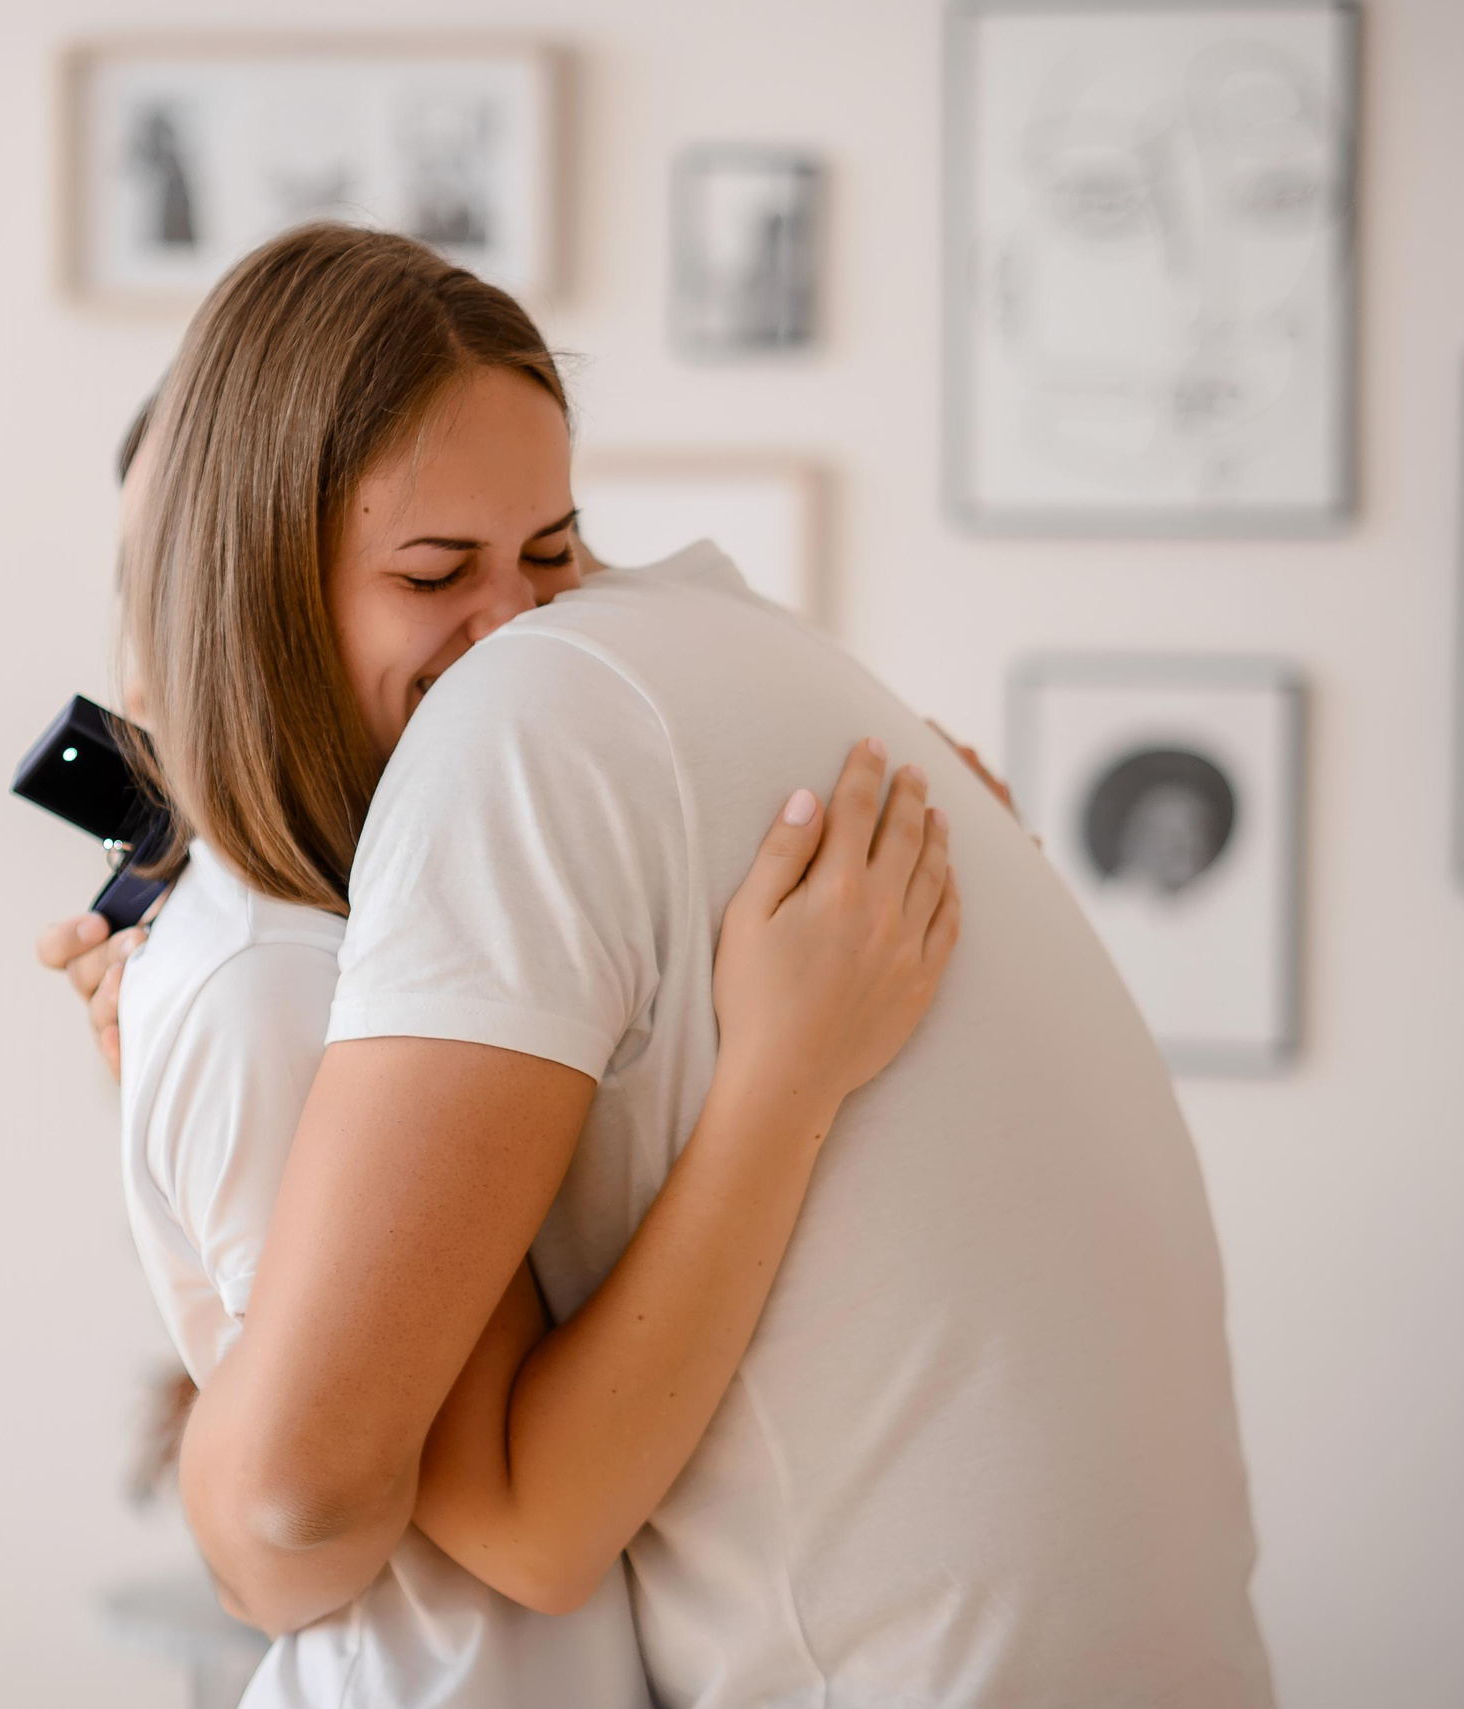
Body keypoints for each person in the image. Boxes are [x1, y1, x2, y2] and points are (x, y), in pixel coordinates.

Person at [47, 223, 959, 1707]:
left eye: (551, 553)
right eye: (435, 572)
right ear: (263, 599)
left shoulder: (386, 926)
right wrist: (787, 1074)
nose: (523, 628)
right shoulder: (281, 983)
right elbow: (436, 1526)